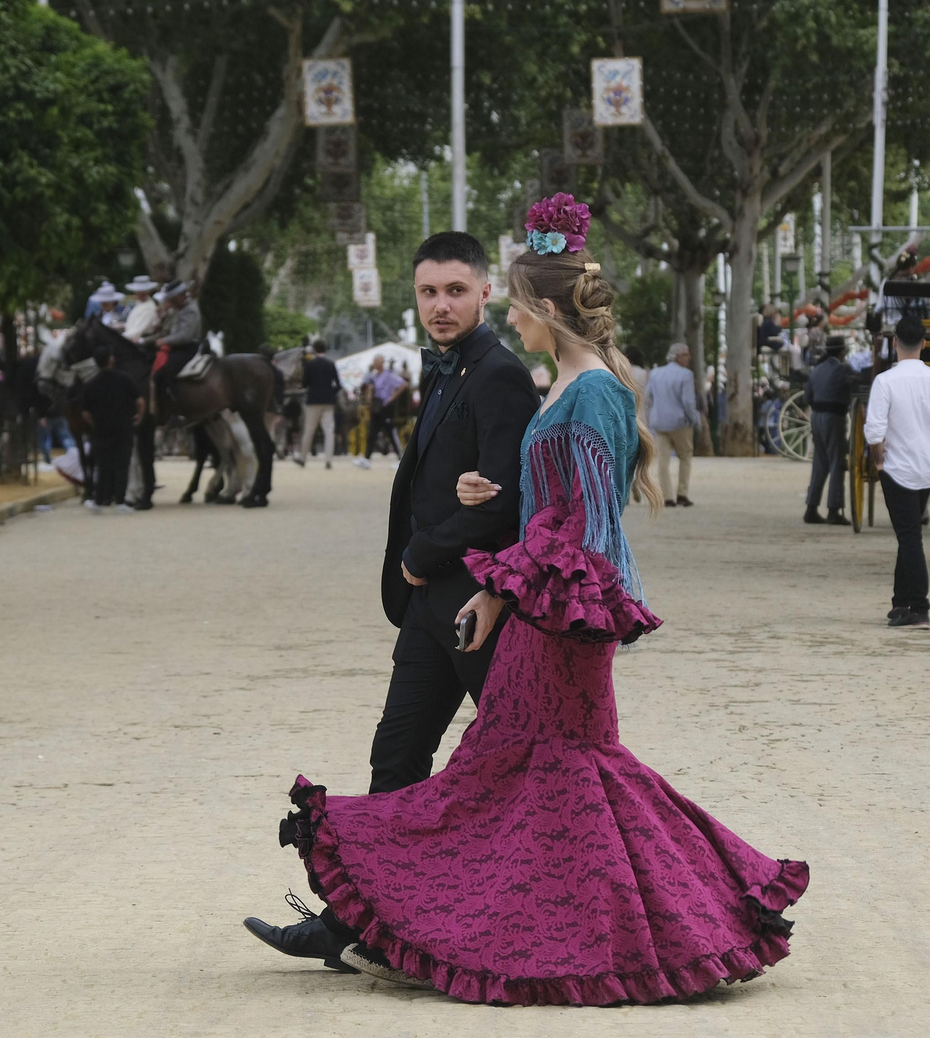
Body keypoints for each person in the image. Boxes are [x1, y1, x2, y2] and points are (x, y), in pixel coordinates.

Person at [259, 199, 808, 1002]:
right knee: (521, 779)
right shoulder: (565, 389)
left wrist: (498, 586)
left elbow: (584, 534)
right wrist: (486, 510)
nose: (508, 316)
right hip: (535, 611)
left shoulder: (588, 397)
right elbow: (543, 505)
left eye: (511, 301)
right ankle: (402, 922)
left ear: (545, 308)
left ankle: (676, 921)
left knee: (557, 778)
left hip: (560, 621)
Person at [242, 231, 540, 972]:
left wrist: (418, 556)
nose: (440, 306)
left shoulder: (500, 375)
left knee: (519, 768)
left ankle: (524, 924)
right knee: (395, 763)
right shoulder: (446, 373)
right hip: (425, 615)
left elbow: (505, 503)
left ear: (485, 293)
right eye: (428, 293)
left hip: (476, 608)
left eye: (455, 291)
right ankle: (356, 926)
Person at [864, 316, 930, 629]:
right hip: (926, 469)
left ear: (894, 343)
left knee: (909, 537)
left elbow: (875, 431)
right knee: (908, 533)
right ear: (925, 343)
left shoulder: (885, 381)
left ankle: (920, 606)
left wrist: (879, 464)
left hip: (896, 468)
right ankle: (900, 600)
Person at [79, 346, 142, 513]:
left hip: (101, 431)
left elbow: (85, 413)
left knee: (102, 466)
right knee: (122, 465)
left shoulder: (90, 384)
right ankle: (120, 501)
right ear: (111, 360)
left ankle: (98, 501)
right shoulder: (125, 379)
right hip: (124, 428)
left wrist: (95, 423)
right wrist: (139, 416)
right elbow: (140, 401)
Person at [645, 341, 701, 507]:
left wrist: (650, 419)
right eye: (686, 355)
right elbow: (688, 402)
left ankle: (667, 496)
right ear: (678, 356)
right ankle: (682, 493)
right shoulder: (686, 375)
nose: (689, 358)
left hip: (659, 422)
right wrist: (693, 419)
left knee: (663, 459)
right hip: (680, 423)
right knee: (685, 457)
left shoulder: (655, 373)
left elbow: (648, 398)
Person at [803, 334, 851, 524]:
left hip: (816, 417)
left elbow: (807, 396)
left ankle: (811, 508)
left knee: (819, 464)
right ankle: (834, 510)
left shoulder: (817, 369)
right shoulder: (842, 369)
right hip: (834, 417)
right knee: (837, 463)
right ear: (841, 351)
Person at [149, 280, 201, 406]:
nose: (170, 302)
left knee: (166, 371)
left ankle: (176, 407)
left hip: (188, 348)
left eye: (172, 299)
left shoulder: (190, 310)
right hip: (178, 346)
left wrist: (164, 340)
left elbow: (184, 336)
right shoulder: (179, 309)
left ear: (179, 296)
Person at [295, 338, 342, 469]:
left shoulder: (310, 364)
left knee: (309, 430)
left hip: (313, 400)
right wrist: (331, 392)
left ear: (314, 349)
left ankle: (303, 458)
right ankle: (328, 460)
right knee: (329, 430)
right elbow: (338, 384)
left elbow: (305, 383)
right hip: (328, 401)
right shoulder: (331, 364)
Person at [353, 354, 406, 469]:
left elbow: (403, 384)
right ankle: (366, 458)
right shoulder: (375, 376)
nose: (375, 364)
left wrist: (392, 397)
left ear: (381, 363)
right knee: (372, 432)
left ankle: (401, 458)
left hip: (385, 407)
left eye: (377, 362)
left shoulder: (388, 375)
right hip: (376, 407)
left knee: (391, 432)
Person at [120, 276, 161, 341]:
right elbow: (135, 323)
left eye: (142, 292)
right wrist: (123, 325)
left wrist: (120, 337)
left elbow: (138, 330)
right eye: (138, 291)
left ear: (147, 292)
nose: (139, 294)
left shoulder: (149, 308)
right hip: (129, 337)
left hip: (137, 342)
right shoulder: (139, 304)